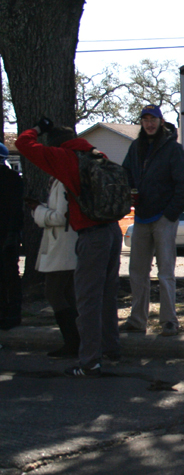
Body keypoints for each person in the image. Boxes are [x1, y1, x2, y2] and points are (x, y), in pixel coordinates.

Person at [16, 120, 122, 377]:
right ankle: (110, 347)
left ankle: (89, 362)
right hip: (112, 230)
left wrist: (38, 130)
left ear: (55, 145)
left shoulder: (64, 158)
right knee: (107, 295)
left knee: (87, 298)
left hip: (91, 235)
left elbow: (22, 144)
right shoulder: (97, 155)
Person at [120, 105, 184, 337]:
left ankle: (169, 321)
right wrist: (131, 193)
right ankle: (137, 319)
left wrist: (170, 214)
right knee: (137, 272)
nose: (149, 124)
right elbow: (125, 175)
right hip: (141, 217)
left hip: (164, 218)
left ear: (161, 122)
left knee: (165, 273)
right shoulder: (135, 148)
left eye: (153, 119)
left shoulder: (173, 149)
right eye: (145, 120)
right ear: (141, 123)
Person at [28, 127, 80, 356]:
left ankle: (72, 341)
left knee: (54, 293)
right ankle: (76, 340)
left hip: (63, 242)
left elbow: (60, 216)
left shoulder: (63, 177)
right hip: (67, 242)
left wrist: (37, 210)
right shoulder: (68, 171)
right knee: (68, 294)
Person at [0, 142, 23, 331]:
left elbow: (15, 210)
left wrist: (12, 234)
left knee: (9, 275)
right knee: (9, 275)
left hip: (8, 233)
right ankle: (9, 312)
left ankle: (11, 313)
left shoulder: (12, 179)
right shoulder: (13, 179)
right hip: (9, 232)